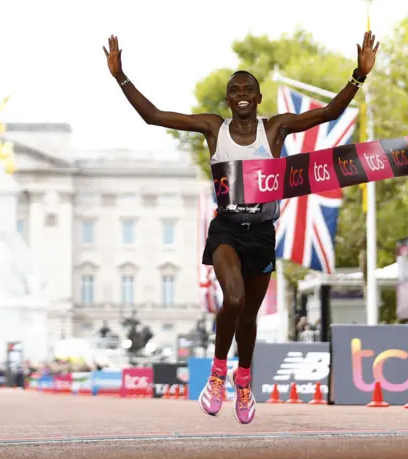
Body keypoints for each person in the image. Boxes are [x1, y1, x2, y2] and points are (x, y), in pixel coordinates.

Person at [103, 33, 379, 424]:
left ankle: (243, 380)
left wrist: (357, 76)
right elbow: (155, 116)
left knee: (248, 315)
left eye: (249, 88)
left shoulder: (276, 128)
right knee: (232, 300)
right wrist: (121, 76)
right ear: (229, 100)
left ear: (259, 98)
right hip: (227, 230)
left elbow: (328, 114)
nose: (242, 93)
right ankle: (218, 375)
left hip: (262, 233)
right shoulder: (214, 128)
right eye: (235, 89)